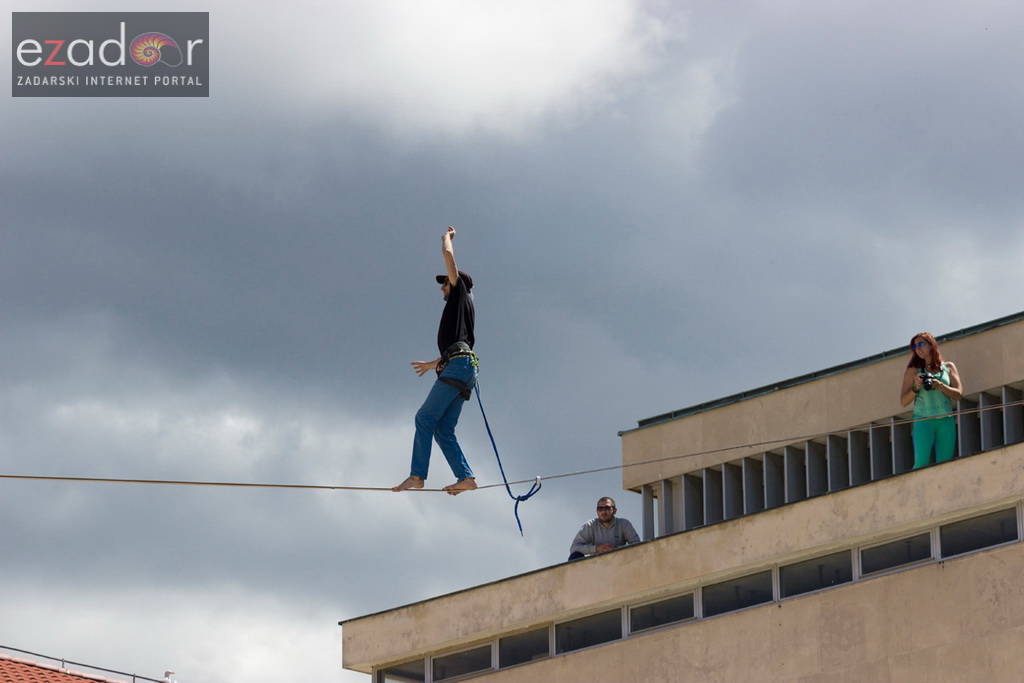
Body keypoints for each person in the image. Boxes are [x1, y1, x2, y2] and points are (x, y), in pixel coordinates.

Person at [393, 226, 479, 496]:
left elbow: (448, 257)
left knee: (424, 419)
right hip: (464, 367)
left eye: (445, 283)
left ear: (456, 284)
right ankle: (466, 478)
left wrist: (447, 239)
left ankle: (417, 475)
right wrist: (433, 364)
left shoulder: (459, 294)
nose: (442, 287)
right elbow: (458, 348)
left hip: (460, 367)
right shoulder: (461, 311)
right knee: (443, 429)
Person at [899, 332, 963, 469]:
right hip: (923, 420)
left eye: (921, 344)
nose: (918, 349)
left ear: (931, 344)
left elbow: (958, 395)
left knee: (945, 463)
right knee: (921, 463)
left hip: (945, 419)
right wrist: (916, 387)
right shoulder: (913, 371)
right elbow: (903, 401)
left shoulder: (948, 367)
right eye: (915, 347)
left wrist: (939, 385)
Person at [567, 497, 641, 561]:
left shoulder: (624, 524)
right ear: (597, 511)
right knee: (575, 556)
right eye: (600, 509)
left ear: (614, 510)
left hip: (620, 562)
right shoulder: (590, 525)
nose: (603, 512)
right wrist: (597, 549)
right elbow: (574, 548)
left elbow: (637, 546)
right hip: (596, 564)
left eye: (607, 508)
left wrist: (616, 549)